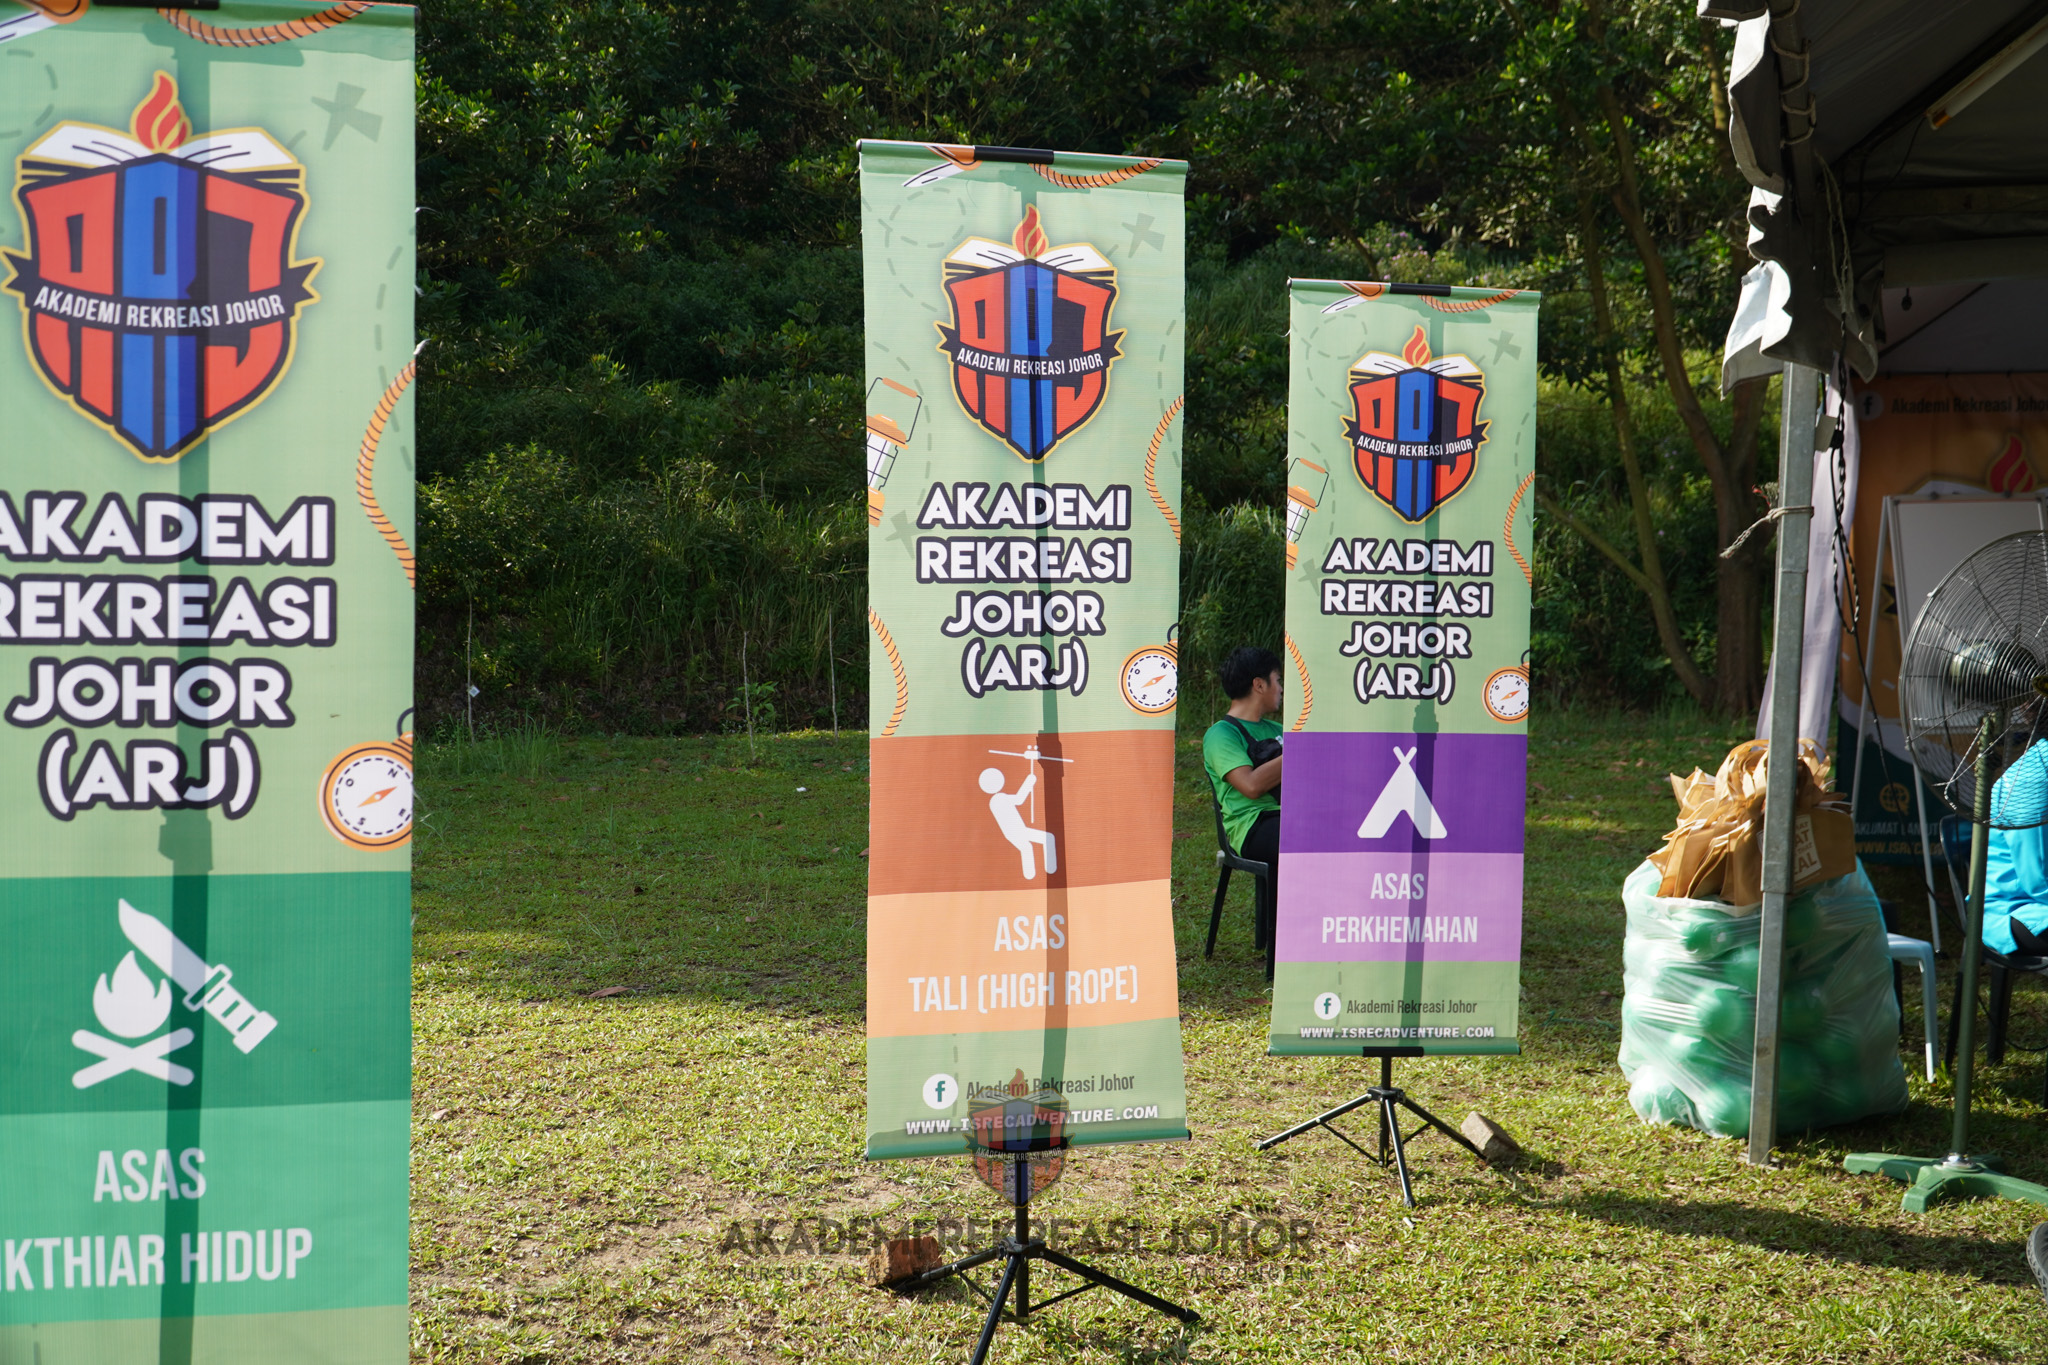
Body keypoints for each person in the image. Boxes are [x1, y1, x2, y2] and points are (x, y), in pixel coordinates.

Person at [1203, 646, 1284, 881]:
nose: (1281, 689)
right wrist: (1301, 751)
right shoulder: (1221, 734)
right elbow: (1251, 785)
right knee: (1310, 837)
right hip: (1253, 825)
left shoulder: (1279, 729)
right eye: (1277, 681)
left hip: (1294, 815)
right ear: (1259, 685)